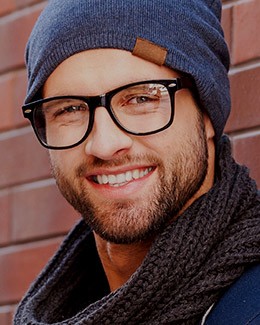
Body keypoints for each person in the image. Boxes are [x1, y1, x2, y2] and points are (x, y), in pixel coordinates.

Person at [14, 0, 260, 324]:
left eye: (141, 99)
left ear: (206, 112)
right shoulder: (53, 310)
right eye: (70, 109)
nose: (104, 144)